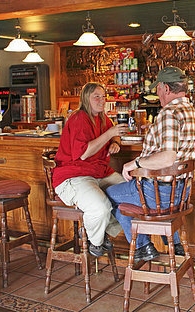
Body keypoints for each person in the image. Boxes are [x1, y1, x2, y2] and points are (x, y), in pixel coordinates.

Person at [106, 66, 195, 262]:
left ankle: (143, 247)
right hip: (180, 193)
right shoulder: (192, 112)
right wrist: (154, 130)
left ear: (166, 88)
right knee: (124, 195)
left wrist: (134, 163)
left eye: (158, 88)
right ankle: (174, 243)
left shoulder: (169, 113)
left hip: (157, 193)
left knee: (107, 197)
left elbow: (168, 157)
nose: (157, 93)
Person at [52, 82, 129, 257]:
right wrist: (110, 135)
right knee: (101, 207)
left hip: (99, 173)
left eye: (103, 97)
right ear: (86, 98)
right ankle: (94, 242)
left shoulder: (103, 118)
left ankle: (101, 232)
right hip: (73, 176)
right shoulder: (79, 117)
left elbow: (113, 131)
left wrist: (115, 141)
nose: (102, 100)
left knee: (133, 195)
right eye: (97, 96)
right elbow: (85, 153)